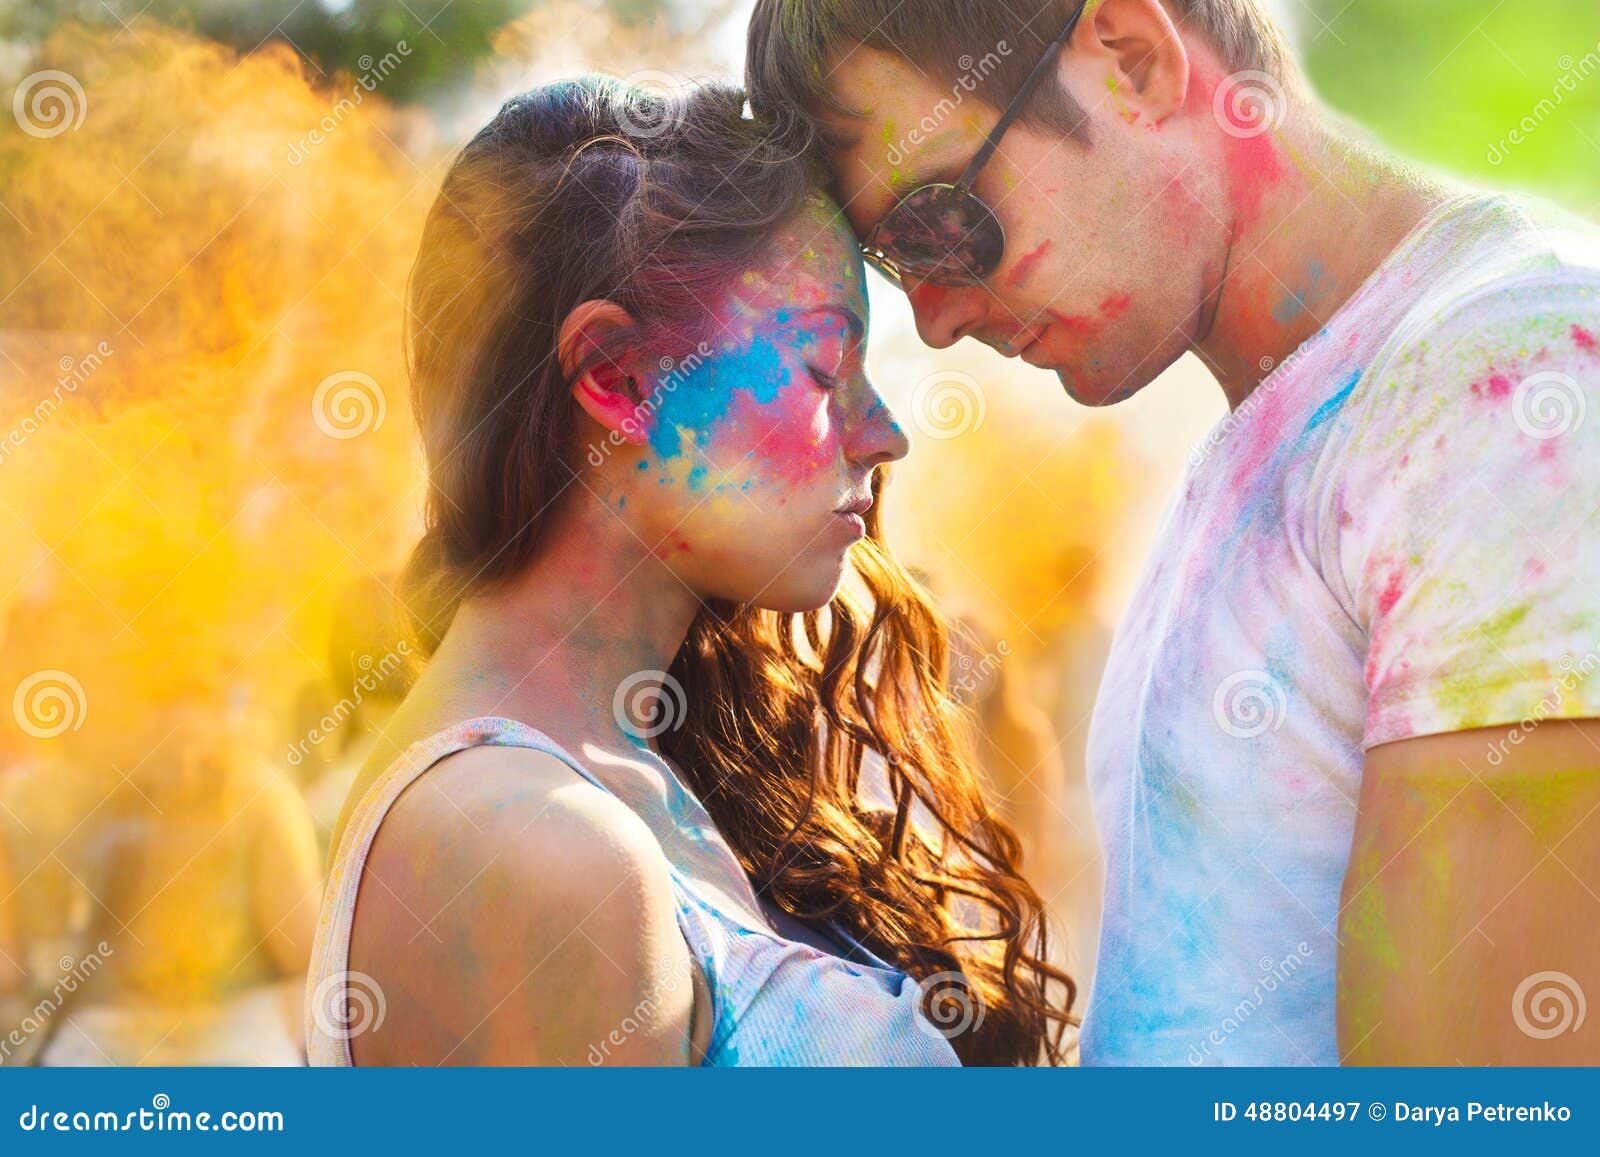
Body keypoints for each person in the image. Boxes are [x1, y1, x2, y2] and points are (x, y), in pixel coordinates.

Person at [746, 0, 1600, 1064]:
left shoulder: (1505, 388)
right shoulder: (1279, 434)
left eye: (938, 223)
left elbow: (1483, 1109)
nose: (933, 315)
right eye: (890, 259)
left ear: (1134, 60)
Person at [304, 77, 1074, 1068]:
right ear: (617, 377)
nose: (884, 433)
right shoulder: (530, 845)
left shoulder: (633, 761)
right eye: (821, 364)